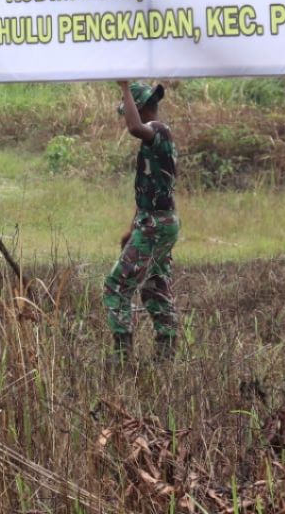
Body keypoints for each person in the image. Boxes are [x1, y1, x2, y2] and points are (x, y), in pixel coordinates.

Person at [104, 80, 179, 365]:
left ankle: (122, 356)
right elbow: (149, 192)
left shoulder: (158, 130)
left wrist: (123, 86)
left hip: (156, 225)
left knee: (116, 285)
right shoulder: (155, 140)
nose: (126, 117)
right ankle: (166, 354)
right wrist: (132, 226)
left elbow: (135, 127)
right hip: (156, 221)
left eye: (128, 109)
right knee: (154, 286)